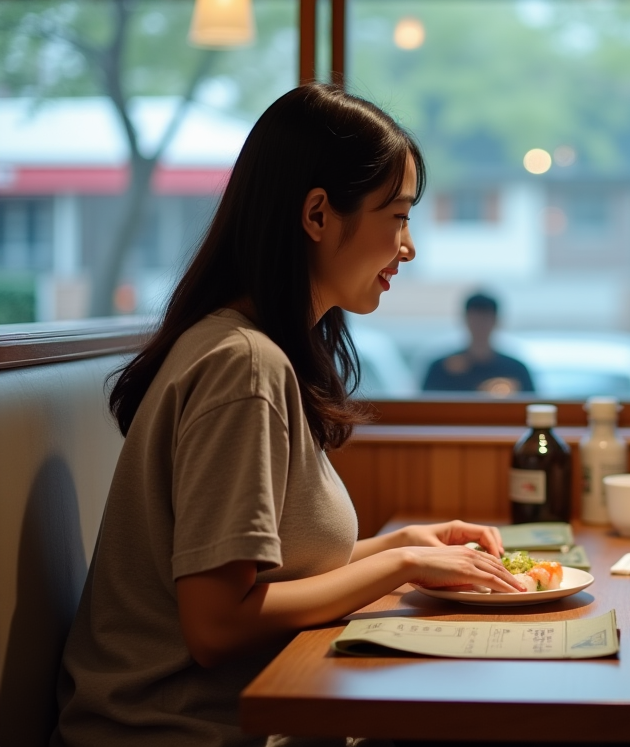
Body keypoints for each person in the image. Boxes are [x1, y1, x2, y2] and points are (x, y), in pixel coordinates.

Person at [51, 84, 525, 747]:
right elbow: (216, 627)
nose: (408, 246)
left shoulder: (252, 349)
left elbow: (272, 572)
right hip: (171, 732)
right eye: (397, 216)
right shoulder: (244, 365)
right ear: (318, 215)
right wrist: (401, 568)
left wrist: (402, 545)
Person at [421, 291, 535, 395]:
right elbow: (426, 405)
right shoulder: (441, 368)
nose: (480, 326)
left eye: (485, 319)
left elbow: (530, 404)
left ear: (496, 321)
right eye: (475, 319)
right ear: (466, 320)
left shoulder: (516, 369)